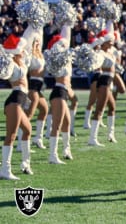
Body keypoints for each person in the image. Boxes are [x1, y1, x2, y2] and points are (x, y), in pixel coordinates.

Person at [0, 34, 33, 179]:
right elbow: (4, 74)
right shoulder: (11, 64)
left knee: (28, 130)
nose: (23, 49)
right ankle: (5, 169)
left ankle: (25, 164)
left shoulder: (22, 61)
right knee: (11, 135)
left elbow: (30, 45)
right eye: (20, 47)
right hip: (15, 100)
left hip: (22, 99)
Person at [45, 24, 75, 164]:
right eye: (61, 45)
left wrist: (67, 23)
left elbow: (66, 37)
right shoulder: (57, 61)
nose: (64, 46)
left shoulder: (65, 59)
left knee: (67, 123)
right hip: (58, 92)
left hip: (64, 93)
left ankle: (66, 150)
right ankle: (52, 155)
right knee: (57, 125)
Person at [88, 20, 119, 146]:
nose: (112, 44)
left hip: (109, 80)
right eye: (109, 42)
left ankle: (111, 134)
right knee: (100, 109)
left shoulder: (109, 52)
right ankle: (92, 138)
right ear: (104, 43)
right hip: (104, 80)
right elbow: (94, 59)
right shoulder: (100, 53)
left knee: (112, 107)